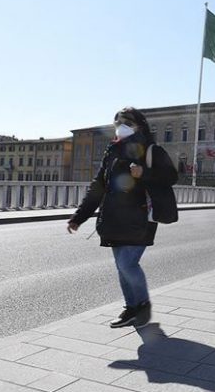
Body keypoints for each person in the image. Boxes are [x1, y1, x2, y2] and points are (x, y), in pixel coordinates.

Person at [67, 107, 178, 328]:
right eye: (118, 123)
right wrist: (79, 217)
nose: (121, 126)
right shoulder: (113, 151)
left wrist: (144, 173)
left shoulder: (151, 150)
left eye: (127, 122)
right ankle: (131, 309)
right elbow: (98, 187)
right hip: (114, 218)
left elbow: (171, 176)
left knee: (127, 264)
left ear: (140, 126)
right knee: (122, 267)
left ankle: (142, 306)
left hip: (140, 218)